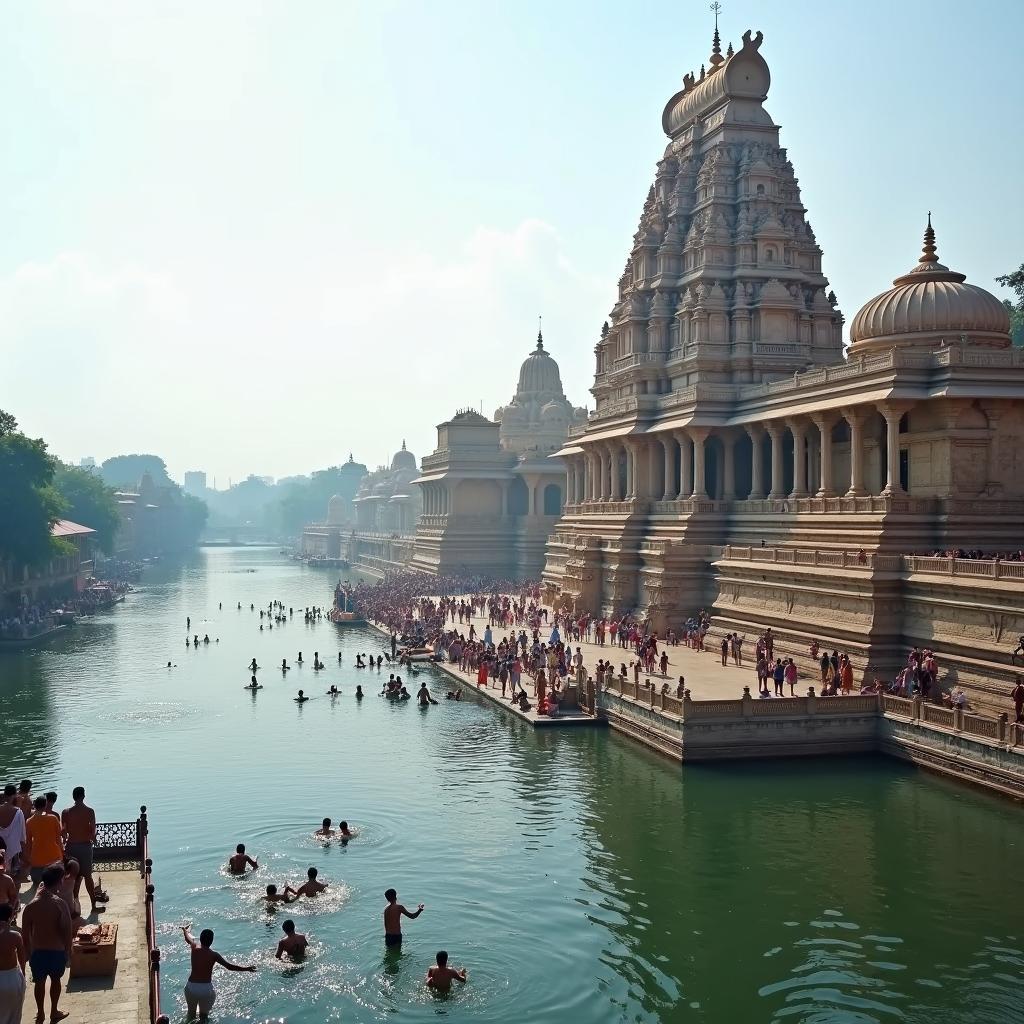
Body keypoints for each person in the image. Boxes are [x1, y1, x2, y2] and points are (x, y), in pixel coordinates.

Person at [21, 864, 72, 1024]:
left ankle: (40, 1013)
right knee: (56, 981)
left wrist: (28, 952)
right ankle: (54, 1011)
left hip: (38, 952)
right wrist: (68, 951)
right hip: (56, 951)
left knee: (39, 982)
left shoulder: (30, 907)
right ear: (59, 882)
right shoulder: (60, 904)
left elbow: (25, 933)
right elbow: (66, 931)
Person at [181, 925, 256, 1021]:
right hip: (205, 989)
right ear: (212, 941)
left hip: (191, 987)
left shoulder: (194, 947)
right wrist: (247, 968)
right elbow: (229, 967)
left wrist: (184, 930)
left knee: (191, 1015)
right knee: (203, 1017)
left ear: (200, 939)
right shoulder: (214, 955)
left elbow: (188, 938)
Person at [61, 786, 102, 915]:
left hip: (71, 846)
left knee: (73, 877)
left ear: (73, 797)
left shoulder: (66, 812)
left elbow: (63, 832)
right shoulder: (90, 811)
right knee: (88, 877)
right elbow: (93, 830)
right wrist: (93, 838)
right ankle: (93, 906)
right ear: (83, 796)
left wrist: (64, 840)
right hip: (85, 847)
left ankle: (74, 905)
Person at [24, 796, 63, 887]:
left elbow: (28, 843)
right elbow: (58, 839)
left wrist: (28, 859)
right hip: (54, 858)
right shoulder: (53, 818)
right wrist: (62, 852)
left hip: (37, 860)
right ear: (45, 805)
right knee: (55, 886)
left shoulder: (29, 821)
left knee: (38, 888)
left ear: (34, 805)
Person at [0, 903, 26, 1023]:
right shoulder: (15, 936)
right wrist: (23, 976)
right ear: (11, 917)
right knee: (14, 1015)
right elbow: (22, 959)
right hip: (11, 978)